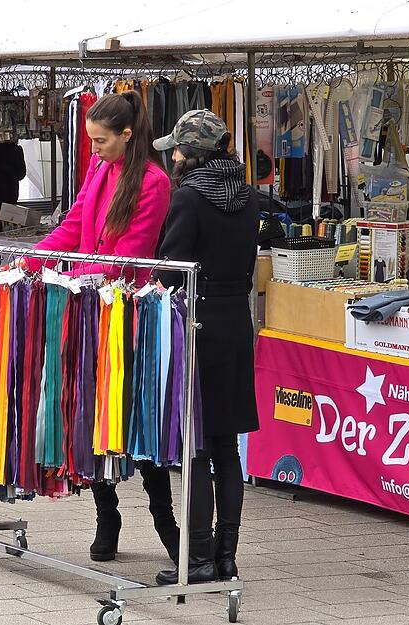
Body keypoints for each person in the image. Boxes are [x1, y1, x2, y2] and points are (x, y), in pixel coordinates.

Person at [27, 91, 175, 563]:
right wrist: (33, 258)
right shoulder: (98, 169)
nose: (93, 150)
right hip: (88, 303)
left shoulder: (152, 181)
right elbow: (73, 226)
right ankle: (105, 513)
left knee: (135, 417)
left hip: (125, 311)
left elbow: (129, 256)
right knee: (93, 414)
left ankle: (165, 520)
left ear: (127, 135)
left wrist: (73, 276)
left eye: (100, 141)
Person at [152, 110, 259, 584]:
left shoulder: (188, 198)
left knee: (195, 446)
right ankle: (227, 555)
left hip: (198, 323)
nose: (172, 156)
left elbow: (171, 269)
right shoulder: (250, 197)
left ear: (191, 154)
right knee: (226, 450)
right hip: (237, 322)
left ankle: (196, 559)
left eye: (176, 149)